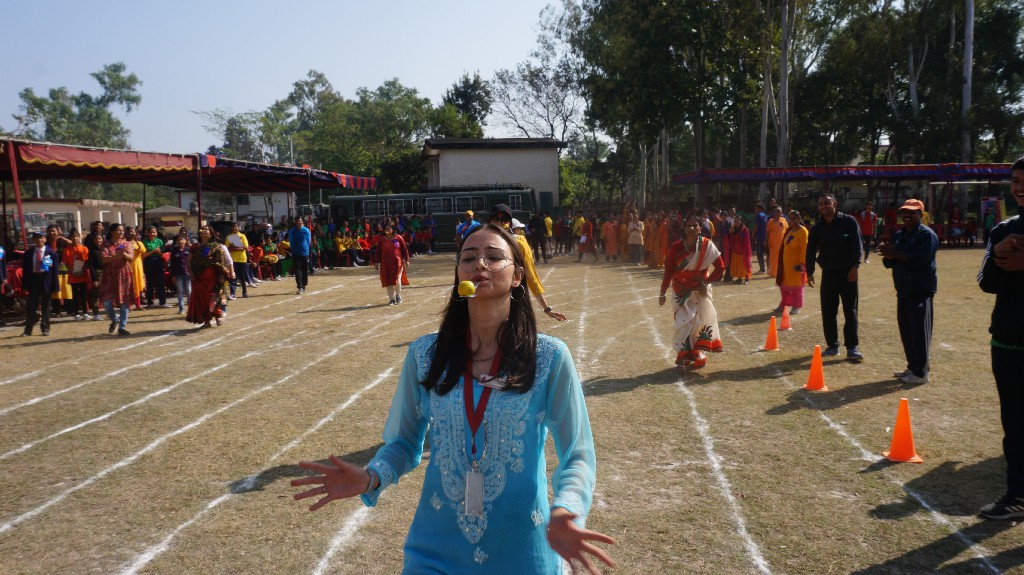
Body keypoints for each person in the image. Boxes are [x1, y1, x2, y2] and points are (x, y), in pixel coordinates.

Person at [292, 223, 616, 573]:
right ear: (457, 274)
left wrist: (567, 510)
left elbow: (578, 454)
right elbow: (402, 442)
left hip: (523, 549)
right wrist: (371, 477)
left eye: (494, 257)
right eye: (468, 258)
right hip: (434, 550)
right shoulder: (424, 354)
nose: (480, 263)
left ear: (518, 276)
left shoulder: (550, 357)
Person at [976, 156, 1024, 520]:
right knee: (1014, 424)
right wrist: (997, 255)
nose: (1020, 187)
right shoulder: (1003, 228)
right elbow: (986, 284)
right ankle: (1017, 494)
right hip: (1007, 341)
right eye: (1015, 180)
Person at [878, 199, 939, 386]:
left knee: (920, 333)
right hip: (903, 291)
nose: (907, 215)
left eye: (912, 212)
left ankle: (921, 373)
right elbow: (890, 263)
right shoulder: (899, 235)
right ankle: (912, 367)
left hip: (920, 291)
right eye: (904, 212)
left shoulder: (926, 235)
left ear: (921, 215)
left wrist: (894, 254)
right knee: (907, 332)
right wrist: (887, 254)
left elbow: (921, 260)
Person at [659, 215, 726, 369]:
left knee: (697, 324)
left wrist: (706, 283)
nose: (692, 228)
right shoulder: (676, 247)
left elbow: (720, 268)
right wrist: (662, 292)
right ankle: (682, 357)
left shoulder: (707, 246)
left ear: (700, 229)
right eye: (689, 225)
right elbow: (669, 271)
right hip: (680, 291)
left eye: (695, 225)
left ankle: (697, 354)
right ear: (684, 228)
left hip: (699, 291)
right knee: (682, 323)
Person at [806, 193, 864, 361]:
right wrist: (809, 272)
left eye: (827, 203)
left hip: (848, 274)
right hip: (829, 273)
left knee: (850, 311)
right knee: (828, 311)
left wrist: (855, 267)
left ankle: (852, 347)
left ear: (835, 204)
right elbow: (810, 250)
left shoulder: (848, 222)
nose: (824, 206)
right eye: (821, 204)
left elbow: (857, 244)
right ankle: (832, 346)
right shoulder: (817, 228)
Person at [490, 205, 568, 321]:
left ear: (510, 224)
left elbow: (530, 274)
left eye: (504, 220)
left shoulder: (518, 243)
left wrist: (546, 308)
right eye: (496, 219)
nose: (500, 223)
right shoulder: (486, 241)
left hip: (513, 298)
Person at [187, 225, 231, 328]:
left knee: (214, 296)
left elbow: (222, 261)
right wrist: (192, 274)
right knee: (202, 300)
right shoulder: (195, 247)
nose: (205, 231)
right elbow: (189, 262)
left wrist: (221, 275)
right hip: (199, 277)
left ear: (211, 233)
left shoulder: (216, 246)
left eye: (207, 229)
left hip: (213, 276)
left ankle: (218, 316)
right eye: (203, 229)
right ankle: (206, 320)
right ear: (200, 233)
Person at [99, 223, 136, 336]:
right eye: (119, 230)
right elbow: (104, 259)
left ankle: (122, 326)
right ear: (112, 232)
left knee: (124, 301)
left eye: (122, 230)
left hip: (123, 275)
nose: (121, 232)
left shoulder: (126, 244)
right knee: (106, 302)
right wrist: (117, 256)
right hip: (109, 276)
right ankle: (115, 319)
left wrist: (124, 255)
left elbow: (131, 257)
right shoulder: (105, 245)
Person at [21, 232, 60, 336]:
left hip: (45, 280)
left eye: (41, 238)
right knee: (31, 306)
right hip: (33, 279)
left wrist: (56, 286)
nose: (39, 240)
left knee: (46, 306)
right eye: (37, 238)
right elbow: (25, 271)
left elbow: (55, 271)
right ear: (33, 240)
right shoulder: (28, 253)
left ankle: (45, 328)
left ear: (45, 239)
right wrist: (25, 285)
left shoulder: (51, 253)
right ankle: (28, 330)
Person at [774, 210, 808, 315]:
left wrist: (802, 265)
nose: (792, 220)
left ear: (799, 218)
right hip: (786, 264)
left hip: (796, 265)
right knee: (784, 286)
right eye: (791, 218)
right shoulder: (790, 230)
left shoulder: (803, 231)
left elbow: (804, 249)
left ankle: (796, 306)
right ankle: (784, 304)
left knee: (796, 287)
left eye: (795, 218)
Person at [375, 223, 410, 305]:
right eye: (385, 229)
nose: (387, 231)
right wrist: (376, 262)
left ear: (393, 229)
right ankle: (391, 299)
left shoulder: (399, 238)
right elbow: (378, 252)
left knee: (397, 280)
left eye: (388, 229)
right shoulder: (381, 240)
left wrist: (407, 260)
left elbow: (405, 250)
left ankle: (398, 295)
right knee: (388, 281)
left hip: (398, 263)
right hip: (385, 264)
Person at [62, 229, 91, 320]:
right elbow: (66, 263)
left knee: (83, 294)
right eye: (73, 237)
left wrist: (82, 271)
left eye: (77, 236)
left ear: (80, 237)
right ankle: (76, 313)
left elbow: (87, 262)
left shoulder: (84, 249)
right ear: (70, 238)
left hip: (82, 274)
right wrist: (72, 272)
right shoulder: (66, 250)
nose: (75, 238)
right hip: (72, 275)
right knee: (74, 294)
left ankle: (85, 312)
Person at [141, 226, 170, 308]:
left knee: (160, 282)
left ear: (156, 233)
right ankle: (150, 301)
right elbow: (143, 255)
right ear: (147, 233)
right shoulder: (144, 242)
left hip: (158, 261)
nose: (152, 234)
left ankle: (162, 301)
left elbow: (162, 254)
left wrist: (158, 252)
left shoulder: (159, 241)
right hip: (148, 262)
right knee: (150, 282)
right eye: (151, 232)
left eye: (154, 232)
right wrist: (153, 251)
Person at [722, 217, 751, 284]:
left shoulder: (745, 230)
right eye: (735, 221)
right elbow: (728, 238)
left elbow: (747, 241)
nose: (736, 222)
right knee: (737, 265)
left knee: (745, 264)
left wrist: (745, 250)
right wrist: (730, 232)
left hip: (743, 250)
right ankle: (739, 278)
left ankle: (747, 279)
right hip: (735, 250)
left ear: (741, 221)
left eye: (738, 221)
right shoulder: (733, 229)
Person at [169, 233, 192, 314]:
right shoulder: (174, 251)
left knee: (189, 291)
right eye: (178, 240)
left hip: (187, 273)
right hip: (178, 274)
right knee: (180, 290)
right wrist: (172, 275)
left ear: (185, 241)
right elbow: (172, 264)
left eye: (182, 239)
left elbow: (192, 262)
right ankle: (181, 308)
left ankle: (190, 308)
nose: (180, 241)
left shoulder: (189, 250)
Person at [225, 222, 249, 299]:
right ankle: (233, 293)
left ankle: (244, 292)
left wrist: (234, 247)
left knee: (242, 277)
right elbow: (227, 248)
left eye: (236, 226)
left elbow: (245, 247)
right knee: (233, 277)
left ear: (238, 228)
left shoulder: (242, 236)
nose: (235, 228)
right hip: (232, 260)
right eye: (233, 227)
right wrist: (238, 247)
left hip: (242, 259)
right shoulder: (229, 237)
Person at [289, 216, 312, 295]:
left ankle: (304, 284)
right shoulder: (292, 231)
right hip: (295, 253)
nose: (298, 223)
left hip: (304, 253)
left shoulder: (306, 230)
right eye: (296, 221)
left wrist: (306, 249)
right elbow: (291, 241)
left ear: (302, 221)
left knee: (304, 270)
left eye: (299, 221)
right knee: (297, 270)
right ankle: (300, 286)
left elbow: (309, 241)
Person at [125, 227, 146, 311]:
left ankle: (138, 305)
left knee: (137, 286)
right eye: (129, 232)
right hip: (128, 267)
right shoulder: (124, 243)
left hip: (138, 267)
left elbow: (143, 250)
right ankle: (129, 306)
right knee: (129, 287)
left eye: (133, 232)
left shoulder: (139, 243)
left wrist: (137, 241)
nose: (131, 233)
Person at [765, 207, 788, 278]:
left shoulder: (784, 220)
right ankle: (773, 272)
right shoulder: (770, 221)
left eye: (779, 212)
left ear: (781, 213)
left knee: (782, 257)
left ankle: (781, 271)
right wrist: (766, 241)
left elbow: (787, 230)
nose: (778, 213)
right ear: (773, 213)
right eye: (776, 212)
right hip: (773, 242)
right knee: (773, 257)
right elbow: (767, 232)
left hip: (782, 242)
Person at [752, 203, 768, 273]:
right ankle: (765, 267)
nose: (755, 209)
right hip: (765, 236)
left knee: (759, 253)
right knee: (766, 253)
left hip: (760, 237)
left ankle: (762, 269)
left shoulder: (758, 215)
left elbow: (756, 226)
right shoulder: (765, 215)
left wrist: (752, 234)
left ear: (760, 209)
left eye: (756, 208)